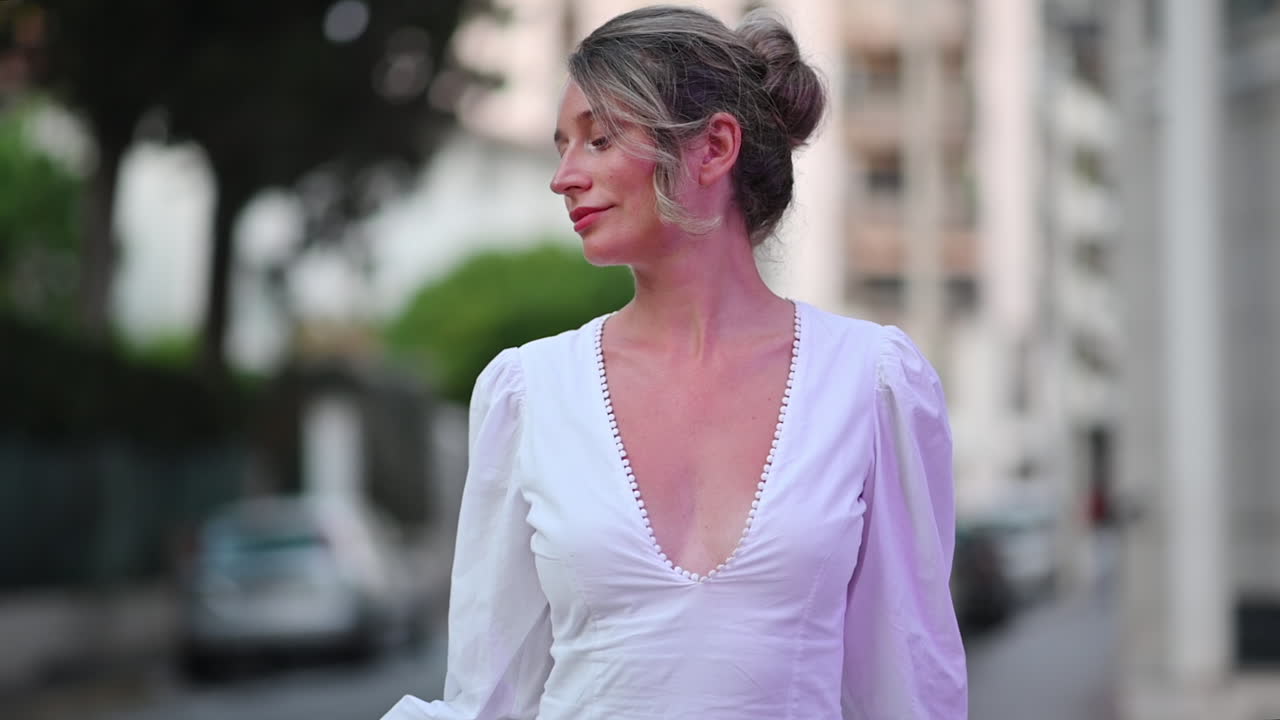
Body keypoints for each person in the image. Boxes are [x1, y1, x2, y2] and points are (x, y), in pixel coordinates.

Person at [382, 5, 966, 719]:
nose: (563, 177)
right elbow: (490, 699)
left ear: (714, 147)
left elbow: (908, 685)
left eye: (599, 139)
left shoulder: (870, 382)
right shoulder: (529, 393)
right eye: (562, 147)